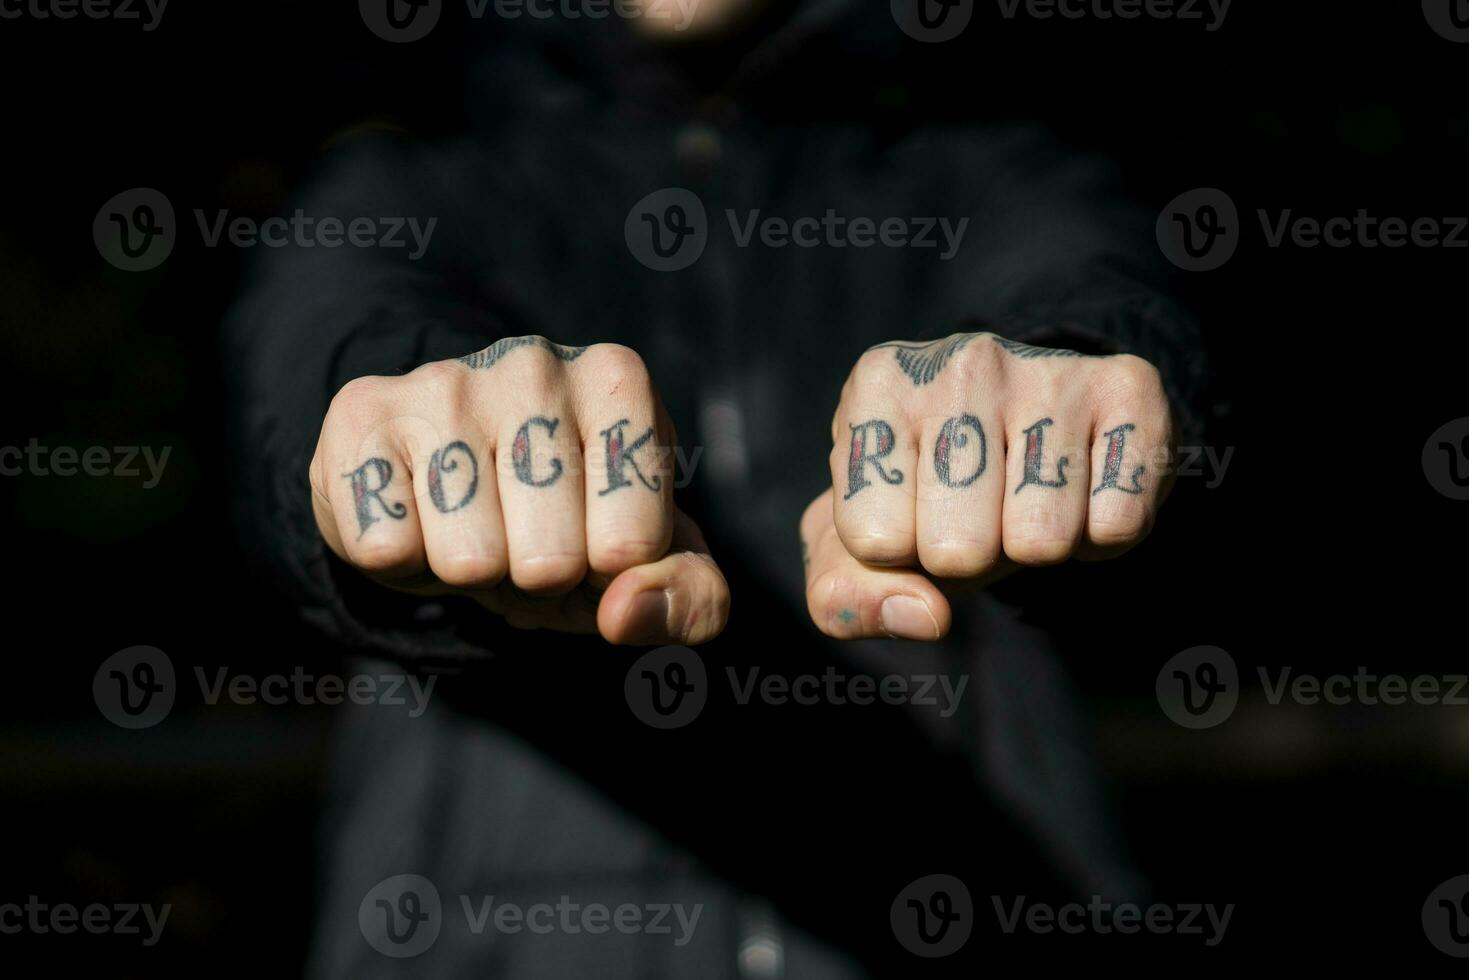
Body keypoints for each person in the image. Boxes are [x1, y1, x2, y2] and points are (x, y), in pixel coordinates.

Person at [225, 0, 1208, 973]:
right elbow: (319, 341)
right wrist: (386, 418)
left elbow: (1089, 281)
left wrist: (1074, 364)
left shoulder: (981, 168)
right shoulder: (416, 179)